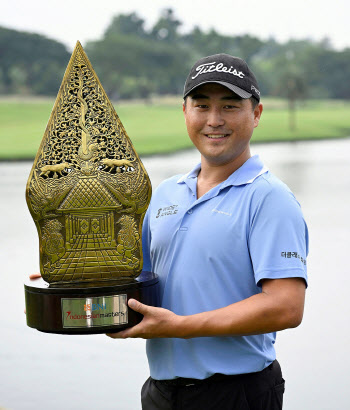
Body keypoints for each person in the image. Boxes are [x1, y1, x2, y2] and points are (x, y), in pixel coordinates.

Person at [107, 54, 309, 410]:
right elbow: (134, 274)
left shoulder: (270, 198)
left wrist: (179, 326)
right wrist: (77, 277)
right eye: (202, 105)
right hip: (162, 392)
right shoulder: (165, 193)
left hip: (236, 393)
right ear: (185, 112)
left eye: (230, 106)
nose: (214, 120)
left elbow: (285, 307)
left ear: (256, 114)